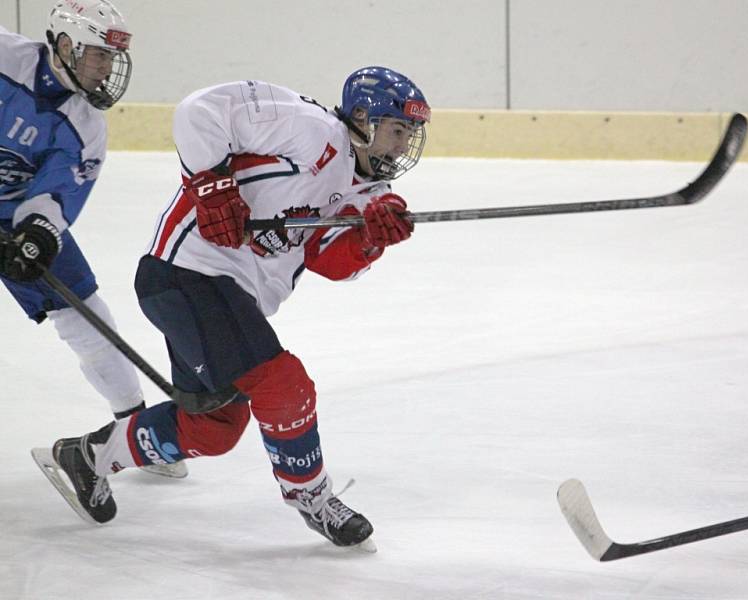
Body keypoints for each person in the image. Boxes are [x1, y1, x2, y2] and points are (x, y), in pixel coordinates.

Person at [34, 66, 431, 549]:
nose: (402, 146)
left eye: (411, 135)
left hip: (225, 296)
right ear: (364, 117)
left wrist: (369, 240)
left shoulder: (372, 196)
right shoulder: (308, 129)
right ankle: (312, 496)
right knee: (284, 384)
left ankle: (89, 456)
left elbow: (331, 263)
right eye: (396, 131)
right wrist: (212, 185)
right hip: (186, 272)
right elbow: (198, 111)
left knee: (215, 425)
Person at [1, 1, 185, 477]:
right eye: (99, 55)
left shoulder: (86, 126)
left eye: (111, 58)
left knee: (85, 314)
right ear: (65, 45)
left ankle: (134, 427)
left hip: (11, 210)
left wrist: (37, 234)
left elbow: (56, 195)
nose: (107, 69)